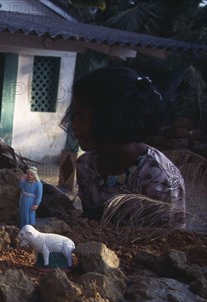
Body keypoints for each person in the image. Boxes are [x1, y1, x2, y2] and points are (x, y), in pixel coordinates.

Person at [62, 66, 186, 227]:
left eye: (83, 116)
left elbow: (171, 244)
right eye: (74, 114)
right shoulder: (86, 166)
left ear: (111, 118)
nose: (74, 125)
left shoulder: (160, 180)